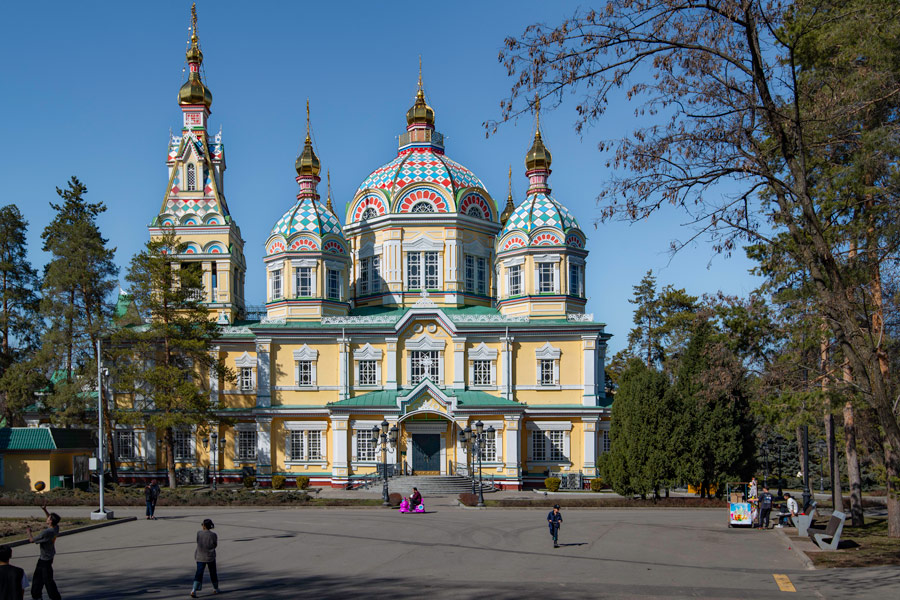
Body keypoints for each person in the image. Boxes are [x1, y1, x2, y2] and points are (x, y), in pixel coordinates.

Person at [25, 503, 60, 600]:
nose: (47, 518)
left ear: (51, 521)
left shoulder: (46, 533)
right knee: (38, 579)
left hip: (45, 560)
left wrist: (28, 532)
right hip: (48, 558)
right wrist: (45, 510)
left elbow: (32, 540)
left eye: (49, 518)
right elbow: (50, 518)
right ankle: (37, 596)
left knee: (47, 581)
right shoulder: (56, 528)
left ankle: (53, 597)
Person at [191, 519, 219, 597]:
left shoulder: (199, 533)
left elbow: (198, 541)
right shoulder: (213, 535)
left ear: (204, 526)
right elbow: (215, 545)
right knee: (213, 572)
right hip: (210, 556)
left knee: (199, 573)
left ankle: (194, 589)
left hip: (200, 556)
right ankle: (215, 588)